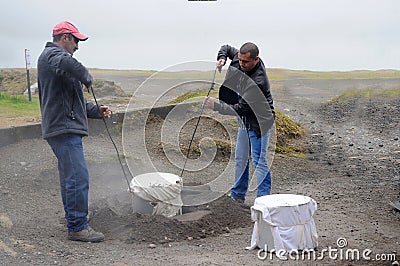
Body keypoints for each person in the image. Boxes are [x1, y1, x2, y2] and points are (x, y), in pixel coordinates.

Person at [37, 21, 110, 242]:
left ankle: (75, 223)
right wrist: (86, 76)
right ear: (66, 37)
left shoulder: (58, 62)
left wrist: (95, 110)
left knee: (72, 177)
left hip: (64, 126)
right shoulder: (52, 55)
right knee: (77, 177)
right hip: (63, 128)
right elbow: (70, 64)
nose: (78, 45)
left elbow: (72, 100)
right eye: (76, 40)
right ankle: (78, 227)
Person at [204, 42, 275, 203]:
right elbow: (227, 48)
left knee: (259, 160)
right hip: (245, 121)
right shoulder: (241, 58)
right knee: (240, 159)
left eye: (245, 62)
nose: (241, 64)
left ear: (255, 59)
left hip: (259, 123)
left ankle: (264, 201)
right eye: (240, 60)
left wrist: (215, 105)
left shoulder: (258, 81)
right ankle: (237, 196)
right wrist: (222, 58)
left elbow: (241, 108)